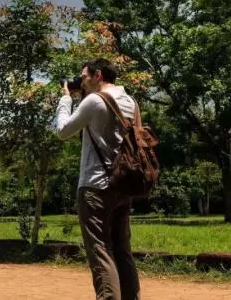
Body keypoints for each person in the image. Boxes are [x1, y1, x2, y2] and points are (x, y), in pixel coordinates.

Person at [55, 58, 141, 300]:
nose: (81, 79)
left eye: (84, 76)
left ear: (98, 75)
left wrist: (66, 98)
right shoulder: (130, 101)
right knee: (123, 252)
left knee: (101, 251)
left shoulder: (94, 101)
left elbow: (63, 131)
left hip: (95, 188)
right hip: (123, 185)